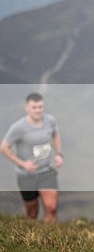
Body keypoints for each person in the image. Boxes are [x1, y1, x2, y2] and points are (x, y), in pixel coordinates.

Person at [1, 92, 64, 222]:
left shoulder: (50, 120)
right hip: (27, 175)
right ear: (27, 108)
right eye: (34, 107)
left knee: (51, 208)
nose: (37, 110)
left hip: (46, 171)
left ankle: (52, 240)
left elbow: (55, 135)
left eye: (40, 107)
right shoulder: (18, 127)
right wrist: (22, 164)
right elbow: (4, 148)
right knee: (32, 213)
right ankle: (31, 239)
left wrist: (58, 154)